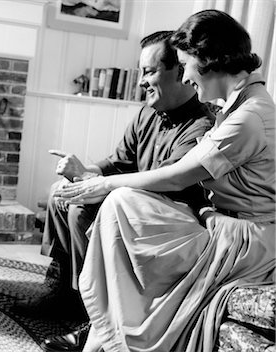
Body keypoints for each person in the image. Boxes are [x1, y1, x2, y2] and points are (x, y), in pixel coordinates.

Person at [54, 9, 275, 352]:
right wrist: (99, 181)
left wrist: (104, 184)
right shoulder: (238, 104)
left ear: (208, 60)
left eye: (186, 64)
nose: (186, 77)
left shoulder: (248, 117)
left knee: (120, 202)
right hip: (224, 225)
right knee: (121, 203)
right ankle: (105, 328)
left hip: (247, 242)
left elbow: (177, 177)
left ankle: (109, 333)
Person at [15, 30, 216, 351]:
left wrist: (94, 186)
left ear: (179, 71)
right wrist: (82, 172)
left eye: (149, 71)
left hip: (163, 223)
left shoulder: (200, 126)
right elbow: (116, 163)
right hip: (126, 204)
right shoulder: (146, 113)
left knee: (80, 207)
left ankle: (97, 313)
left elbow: (164, 185)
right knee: (61, 193)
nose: (141, 81)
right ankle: (64, 291)